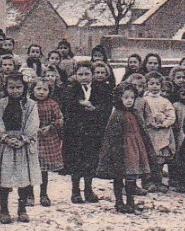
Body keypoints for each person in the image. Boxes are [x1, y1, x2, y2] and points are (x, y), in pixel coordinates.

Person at [97, 84, 156, 212]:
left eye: (132, 97)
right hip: (122, 150)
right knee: (118, 177)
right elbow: (111, 135)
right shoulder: (117, 114)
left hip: (135, 149)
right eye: (125, 97)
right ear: (119, 98)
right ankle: (119, 202)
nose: (129, 100)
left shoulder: (135, 113)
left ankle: (130, 201)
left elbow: (142, 130)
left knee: (131, 177)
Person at [0, 74, 40, 224]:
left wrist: (24, 139)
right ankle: (4, 210)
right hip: (6, 144)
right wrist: (5, 137)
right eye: (11, 87)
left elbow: (33, 122)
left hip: (23, 145)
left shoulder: (30, 104)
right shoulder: (1, 103)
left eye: (18, 87)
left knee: (23, 178)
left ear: (24, 87)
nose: (15, 90)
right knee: (5, 178)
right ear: (5, 88)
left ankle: (22, 208)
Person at [61, 62, 111, 204]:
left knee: (90, 160)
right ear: (75, 75)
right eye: (80, 74)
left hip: (93, 131)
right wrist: (80, 104)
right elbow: (67, 105)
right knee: (76, 161)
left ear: (92, 74)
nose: (84, 77)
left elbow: (106, 106)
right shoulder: (71, 89)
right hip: (75, 132)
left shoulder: (101, 89)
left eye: (87, 74)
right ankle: (75, 190)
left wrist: (95, 109)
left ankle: (88, 189)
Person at [134, 75, 177, 191]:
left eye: (157, 84)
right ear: (146, 85)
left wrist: (164, 123)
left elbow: (172, 116)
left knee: (159, 159)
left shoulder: (165, 101)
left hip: (161, 134)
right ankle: (147, 182)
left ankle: (158, 181)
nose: (154, 87)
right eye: (151, 84)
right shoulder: (143, 100)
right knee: (147, 157)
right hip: (148, 133)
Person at [33, 78, 64, 207]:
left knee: (43, 169)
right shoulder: (29, 103)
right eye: (38, 89)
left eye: (45, 89)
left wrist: (50, 127)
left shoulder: (52, 104)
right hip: (32, 137)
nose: (41, 92)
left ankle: (43, 194)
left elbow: (59, 119)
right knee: (31, 166)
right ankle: (28, 194)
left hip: (47, 138)